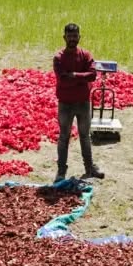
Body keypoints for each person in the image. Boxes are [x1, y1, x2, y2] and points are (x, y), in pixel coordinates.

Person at [53, 23, 104, 182]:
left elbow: (93, 75)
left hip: (83, 103)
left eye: (75, 36)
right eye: (69, 36)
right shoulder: (59, 57)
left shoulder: (86, 55)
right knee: (64, 137)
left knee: (85, 136)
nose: (72, 39)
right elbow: (62, 79)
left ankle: (89, 168)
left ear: (79, 37)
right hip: (65, 103)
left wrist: (73, 75)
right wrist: (81, 78)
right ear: (64, 37)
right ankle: (61, 171)